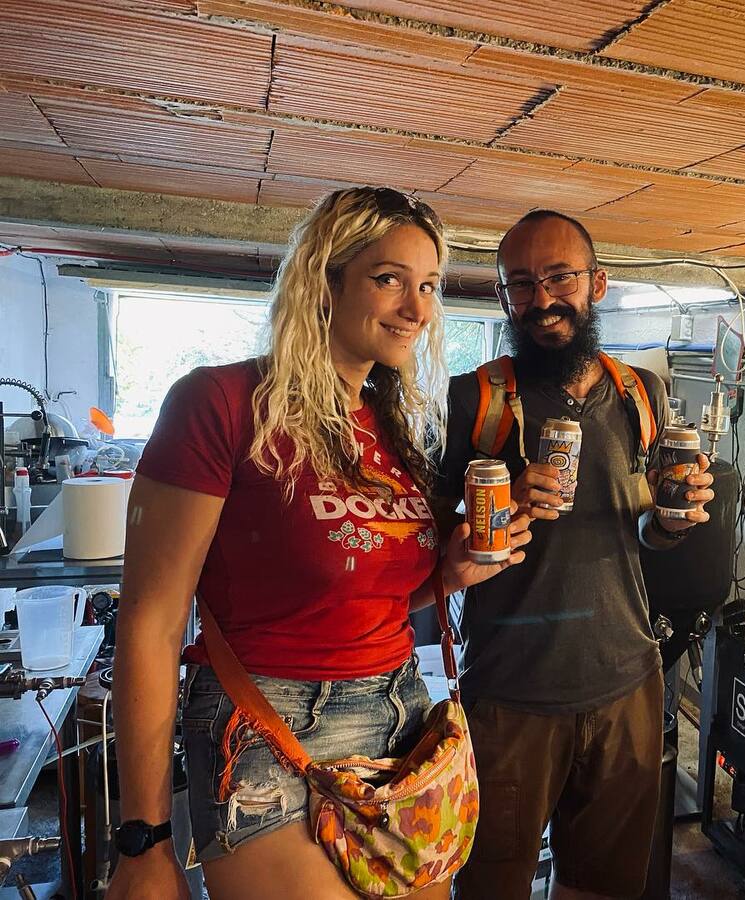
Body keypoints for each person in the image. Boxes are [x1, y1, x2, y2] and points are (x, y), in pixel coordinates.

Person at [107, 187, 530, 900]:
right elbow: (150, 621)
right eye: (389, 279)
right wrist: (144, 840)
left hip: (404, 717)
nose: (418, 309)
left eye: (429, 286)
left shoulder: (392, 428)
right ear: (323, 282)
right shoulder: (223, 404)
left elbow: (362, 596)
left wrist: (449, 574)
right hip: (271, 729)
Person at [436, 210, 715, 899]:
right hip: (510, 694)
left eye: (560, 277)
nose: (542, 300)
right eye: (521, 283)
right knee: (491, 885)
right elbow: (431, 543)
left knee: (603, 885)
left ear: (598, 283)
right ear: (503, 294)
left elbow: (643, 531)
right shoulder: (476, 398)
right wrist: (501, 506)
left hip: (627, 683)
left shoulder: (640, 393)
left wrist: (674, 519)